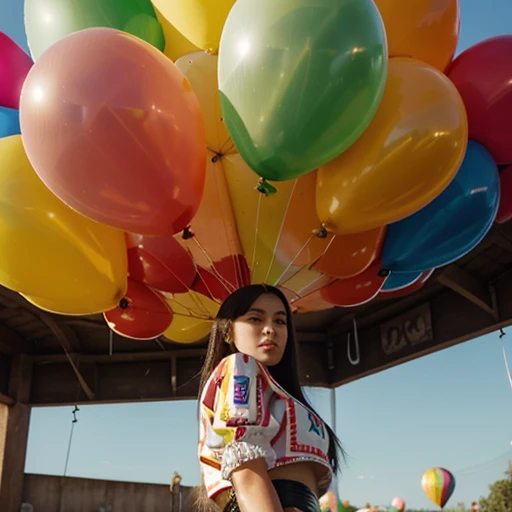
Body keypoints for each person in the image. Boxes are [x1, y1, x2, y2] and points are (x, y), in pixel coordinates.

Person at [197, 284, 344, 512]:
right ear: (228, 331)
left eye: (280, 321)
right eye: (255, 319)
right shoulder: (239, 368)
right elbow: (245, 467)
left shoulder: (279, 393)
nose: (270, 329)